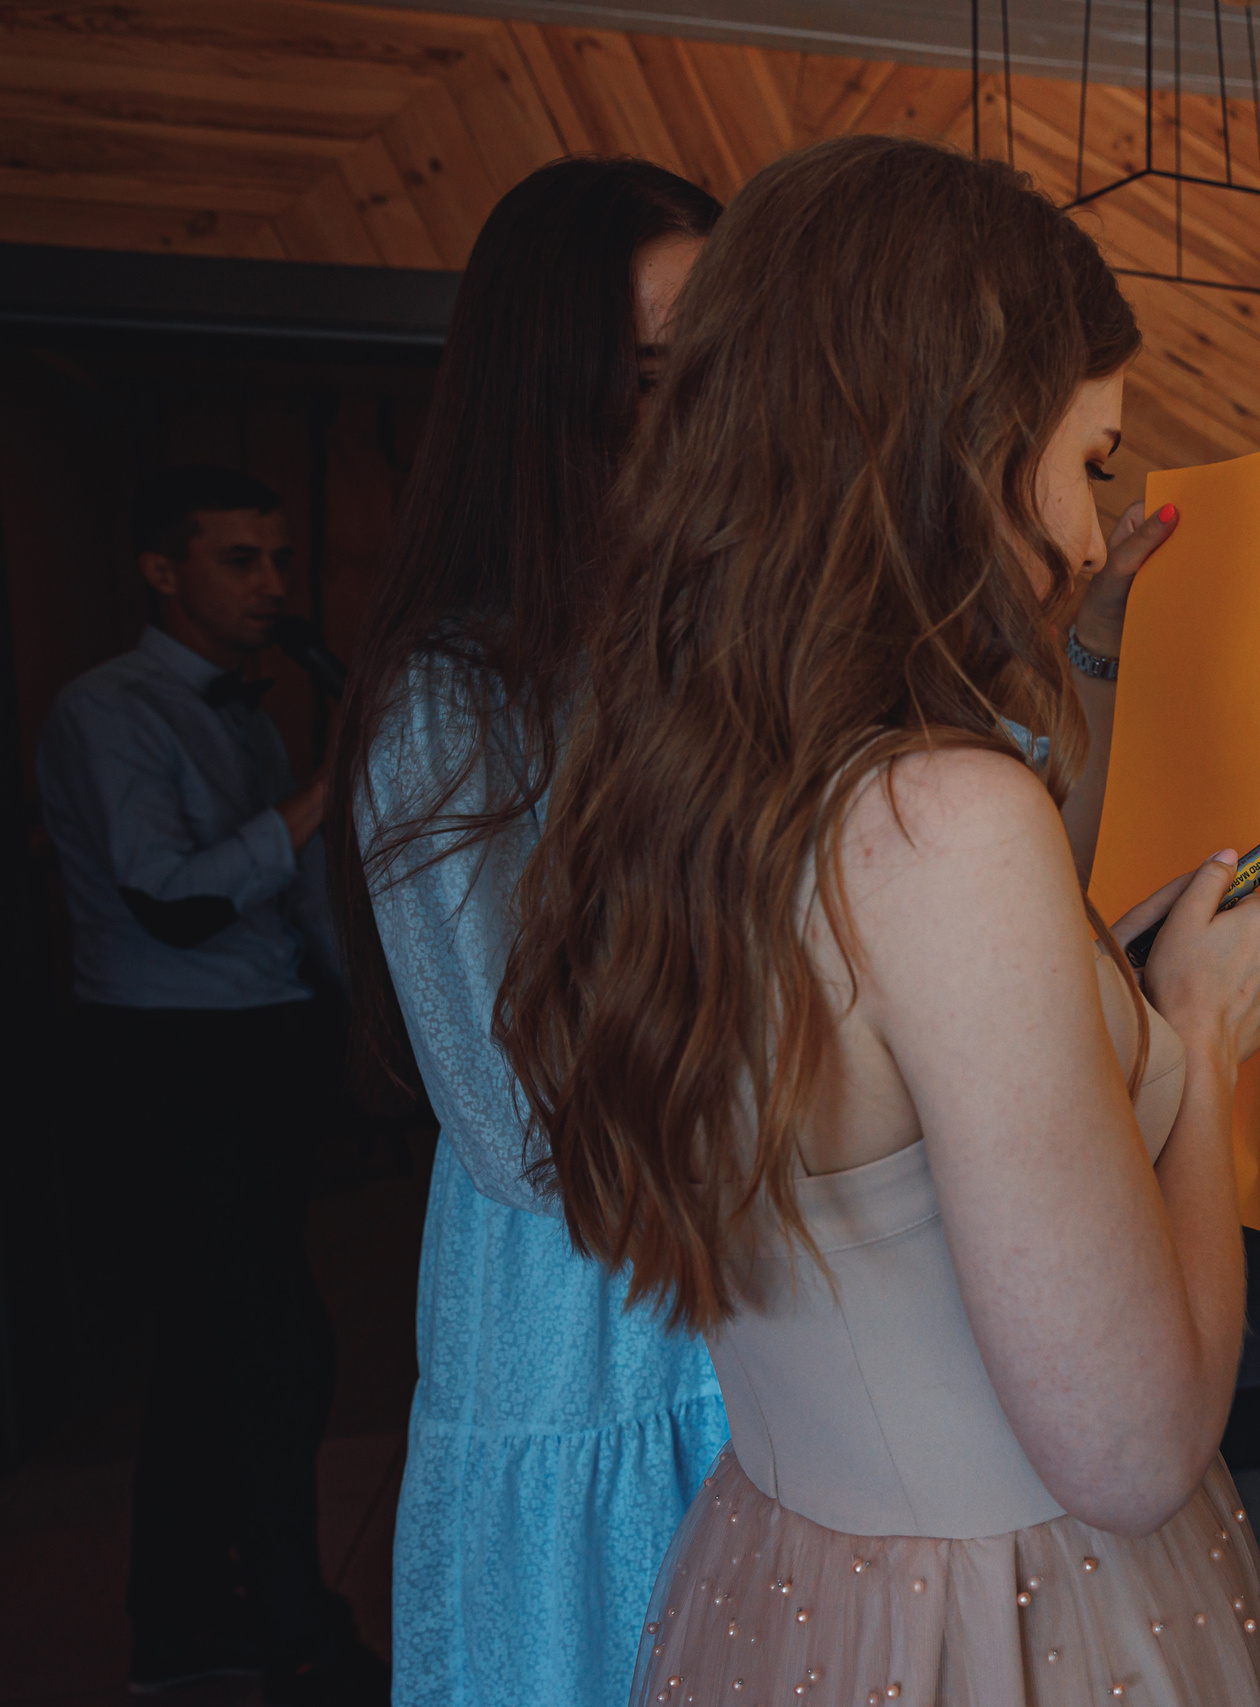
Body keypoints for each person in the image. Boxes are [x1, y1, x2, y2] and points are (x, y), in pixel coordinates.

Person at [495, 136, 1260, 1706]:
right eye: (1089, 463)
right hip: (1000, 1617)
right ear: (955, 445)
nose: (1086, 536)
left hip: (789, 1575)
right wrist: (1196, 1039)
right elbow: (1134, 1446)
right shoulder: (940, 823)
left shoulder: (659, 769)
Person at [330, 158, 730, 1707]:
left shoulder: (721, 647)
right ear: (551, 389)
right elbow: (527, 1130)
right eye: (648, 372)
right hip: (585, 1330)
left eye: (717, 367)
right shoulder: (455, 698)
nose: (695, 412)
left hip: (763, 1304)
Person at [36, 465, 383, 1702]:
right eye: (240, 560)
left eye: (280, 560)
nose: (273, 586)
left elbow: (289, 899)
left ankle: (188, 1619)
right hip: (171, 1061)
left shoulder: (249, 709)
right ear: (161, 570)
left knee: (221, 1352)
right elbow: (169, 897)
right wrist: (322, 792)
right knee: (267, 1347)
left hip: (259, 1045)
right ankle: (289, 1616)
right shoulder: (106, 708)